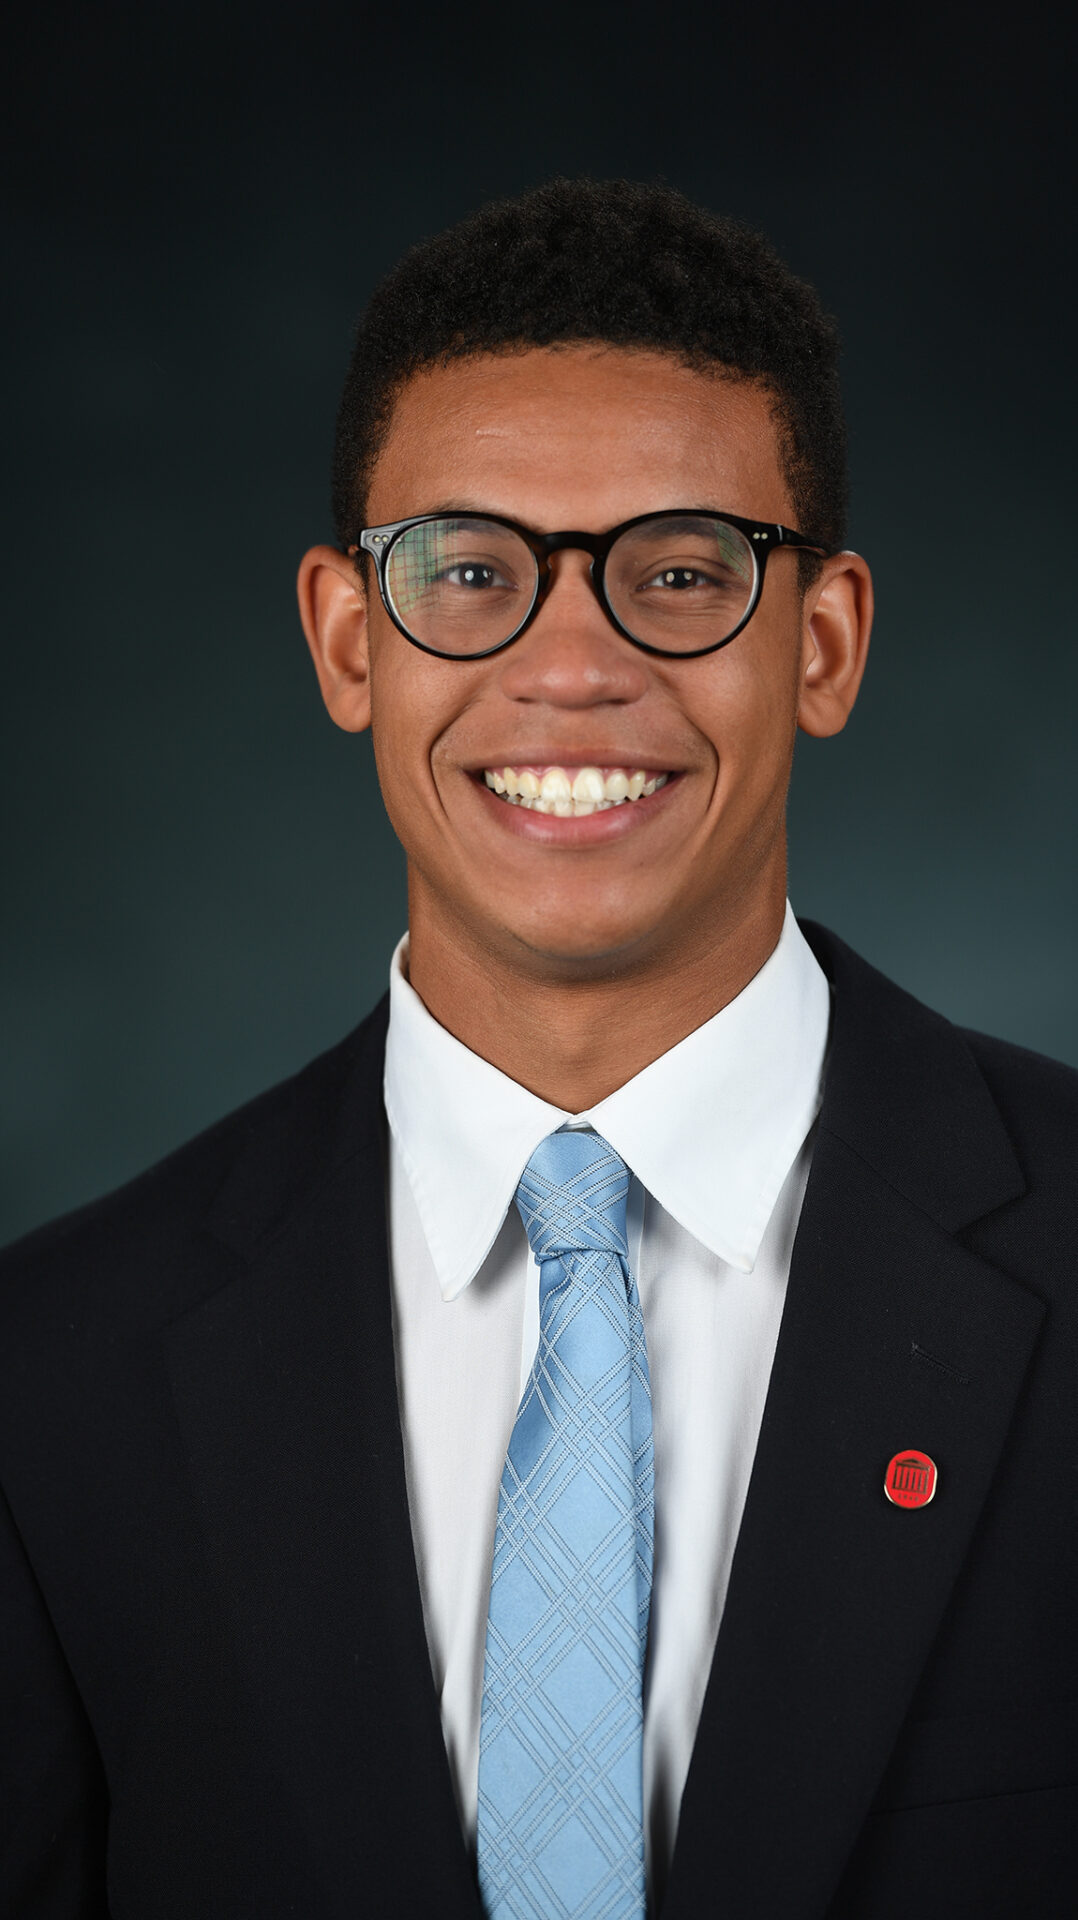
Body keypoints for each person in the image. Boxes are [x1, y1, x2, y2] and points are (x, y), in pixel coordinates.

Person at [0, 177, 1074, 1920]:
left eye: (675, 571)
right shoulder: (52, 1385)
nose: (568, 665)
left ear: (824, 641)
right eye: (470, 571)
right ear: (352, 642)